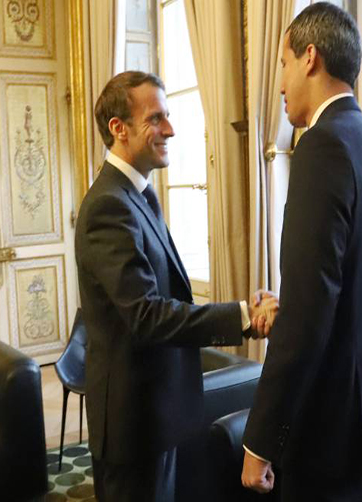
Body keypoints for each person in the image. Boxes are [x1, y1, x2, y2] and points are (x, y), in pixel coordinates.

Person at [75, 70, 277, 502]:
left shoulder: (140, 195)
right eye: (156, 118)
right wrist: (244, 315)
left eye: (167, 116)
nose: (170, 128)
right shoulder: (109, 206)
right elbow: (146, 315)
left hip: (158, 413)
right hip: (134, 424)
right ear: (118, 129)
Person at [240, 4, 362, 501]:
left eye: (283, 65)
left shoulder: (322, 147)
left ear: (310, 57)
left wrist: (260, 440)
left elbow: (310, 315)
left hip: (332, 432)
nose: (282, 83)